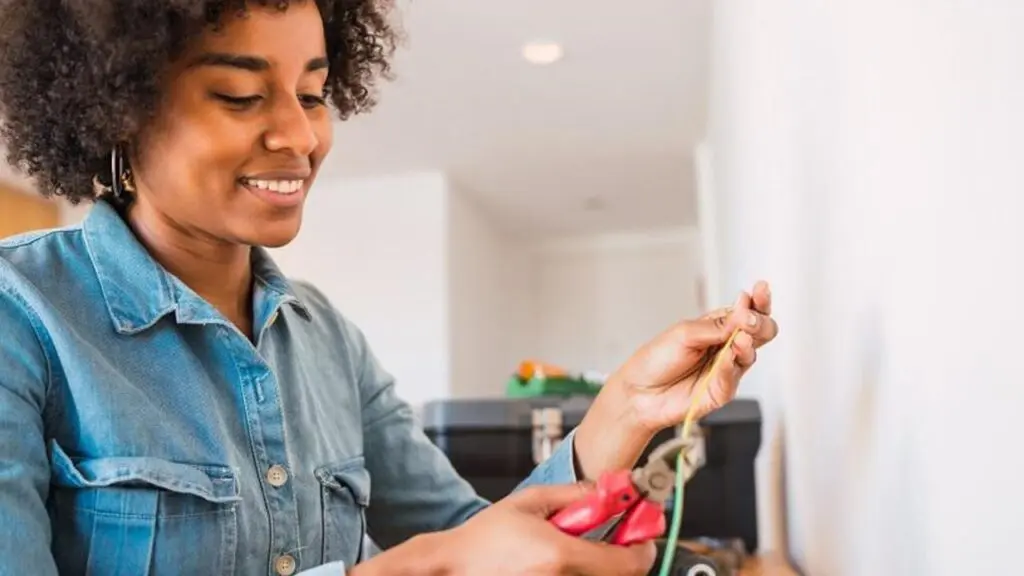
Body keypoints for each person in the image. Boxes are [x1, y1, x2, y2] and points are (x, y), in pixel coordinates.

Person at [0, 2, 779, 575]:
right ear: (118, 109)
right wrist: (421, 570)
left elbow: (478, 534)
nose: (301, 138)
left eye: (312, 93)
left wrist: (623, 412)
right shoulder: (22, 315)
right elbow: (452, 559)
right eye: (240, 96)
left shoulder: (324, 339)